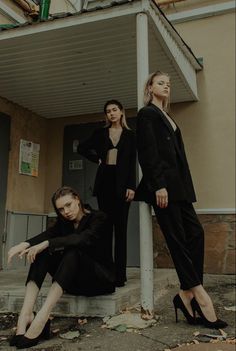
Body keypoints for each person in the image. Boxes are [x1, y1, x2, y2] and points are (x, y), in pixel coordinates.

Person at [135, 71, 227, 329]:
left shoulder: (166, 115)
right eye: (160, 83)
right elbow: (148, 152)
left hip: (180, 188)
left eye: (168, 83)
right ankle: (200, 296)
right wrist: (158, 185)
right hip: (163, 188)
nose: (166, 86)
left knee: (196, 233)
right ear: (150, 87)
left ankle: (185, 294)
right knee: (177, 240)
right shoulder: (147, 114)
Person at [7, 186, 115, 349]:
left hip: (98, 281)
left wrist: (48, 243)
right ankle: (26, 314)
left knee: (72, 251)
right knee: (41, 252)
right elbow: (48, 235)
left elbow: (83, 239)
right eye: (61, 209)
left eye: (69, 205)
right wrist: (24, 244)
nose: (66, 211)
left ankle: (42, 316)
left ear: (77, 199)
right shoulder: (64, 222)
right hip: (73, 282)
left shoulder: (99, 218)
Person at [78, 100, 136, 287]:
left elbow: (131, 163)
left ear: (121, 112)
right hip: (104, 185)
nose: (111, 113)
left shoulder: (130, 135)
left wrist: (131, 186)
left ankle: (120, 276)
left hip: (122, 186)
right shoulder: (100, 133)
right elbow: (82, 148)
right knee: (105, 230)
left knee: (121, 231)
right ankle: (108, 272)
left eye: (114, 110)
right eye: (108, 111)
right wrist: (98, 159)